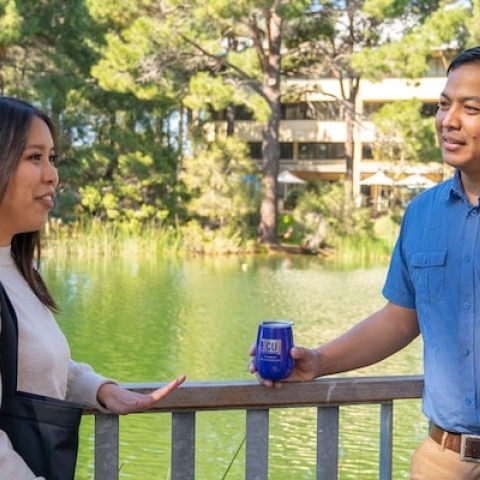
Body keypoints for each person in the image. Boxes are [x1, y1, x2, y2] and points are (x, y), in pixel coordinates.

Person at [249, 45, 480, 480]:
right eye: (444, 104)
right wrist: (318, 361)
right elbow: (399, 318)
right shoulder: (422, 214)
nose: (449, 121)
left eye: (471, 108)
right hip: (442, 460)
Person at [0, 96, 186, 479]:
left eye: (52, 158)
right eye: (34, 157)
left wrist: (99, 388)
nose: (52, 175)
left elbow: (28, 364)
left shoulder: (18, 266)